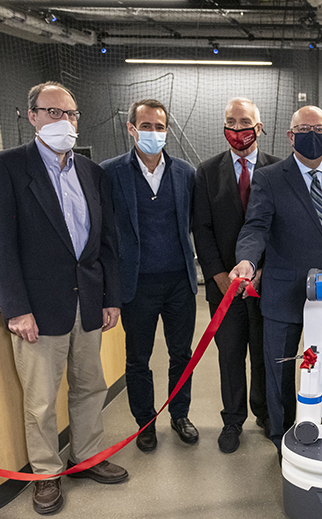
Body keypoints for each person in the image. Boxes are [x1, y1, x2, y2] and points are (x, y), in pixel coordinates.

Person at [0, 81, 127, 515]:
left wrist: (110, 297)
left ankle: (87, 457)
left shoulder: (90, 172)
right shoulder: (6, 168)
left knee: (89, 385)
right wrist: (16, 308)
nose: (65, 122)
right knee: (42, 398)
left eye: (71, 114)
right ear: (33, 116)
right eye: (54, 112)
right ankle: (46, 474)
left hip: (88, 303)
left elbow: (106, 243)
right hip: (38, 310)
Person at [229, 105, 322, 455]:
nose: (312, 135)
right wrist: (246, 261)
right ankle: (284, 440)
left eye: (319, 130)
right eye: (304, 129)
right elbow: (255, 227)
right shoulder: (270, 177)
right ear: (290, 136)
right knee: (281, 372)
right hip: (284, 295)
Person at [101, 99, 198, 453]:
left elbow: (192, 222)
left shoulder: (186, 173)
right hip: (136, 283)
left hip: (179, 283)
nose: (153, 133)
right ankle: (145, 422)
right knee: (138, 358)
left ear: (167, 131)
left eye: (159, 127)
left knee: (181, 354)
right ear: (131, 128)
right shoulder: (110, 173)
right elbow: (103, 234)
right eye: (146, 126)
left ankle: (180, 414)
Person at [194, 98, 279, 454]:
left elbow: (280, 229)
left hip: (265, 284)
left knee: (264, 352)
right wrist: (218, 276)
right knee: (230, 354)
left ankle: (265, 411)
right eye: (231, 121)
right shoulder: (207, 172)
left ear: (258, 127)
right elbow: (202, 229)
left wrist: (261, 272)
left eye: (245, 122)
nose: (238, 128)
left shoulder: (278, 170)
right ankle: (233, 419)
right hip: (223, 287)